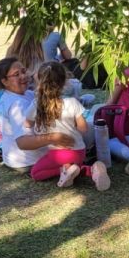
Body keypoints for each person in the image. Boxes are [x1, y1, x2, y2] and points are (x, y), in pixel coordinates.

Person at [24, 61, 109, 190]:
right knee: (74, 164)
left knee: (36, 173)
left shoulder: (36, 104)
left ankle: (64, 170)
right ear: (65, 82)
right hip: (79, 152)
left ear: (39, 82)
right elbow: (83, 128)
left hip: (57, 154)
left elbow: (27, 124)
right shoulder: (72, 102)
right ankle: (92, 170)